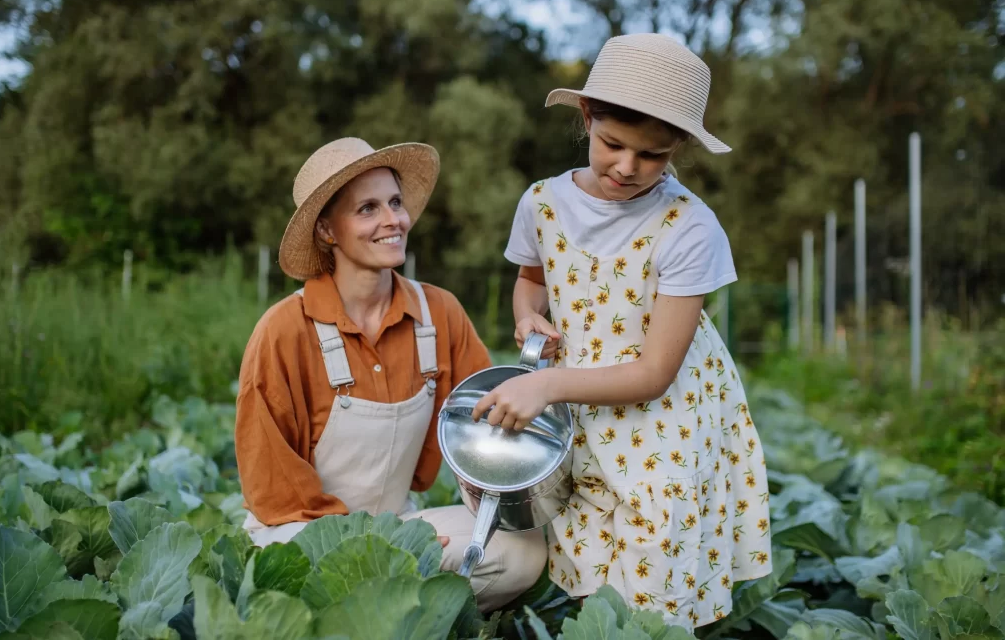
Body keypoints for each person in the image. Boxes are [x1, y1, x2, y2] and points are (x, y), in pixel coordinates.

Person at [469, 34, 773, 628]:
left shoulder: (690, 228)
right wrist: (526, 317)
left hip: (665, 422)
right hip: (582, 416)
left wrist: (549, 385)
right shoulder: (541, 204)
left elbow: (656, 373)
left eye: (653, 155)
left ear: (678, 147)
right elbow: (531, 280)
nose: (627, 167)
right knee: (595, 578)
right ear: (586, 118)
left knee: (655, 574)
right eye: (613, 144)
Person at [234, 137, 547, 612]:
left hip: (397, 523)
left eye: (395, 203)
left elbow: (486, 423)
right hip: (303, 533)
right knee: (300, 571)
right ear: (327, 231)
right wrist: (374, 547)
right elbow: (273, 490)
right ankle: (403, 603)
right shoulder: (283, 330)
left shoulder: (439, 312)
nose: (393, 221)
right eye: (367, 209)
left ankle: (390, 605)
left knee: (524, 551)